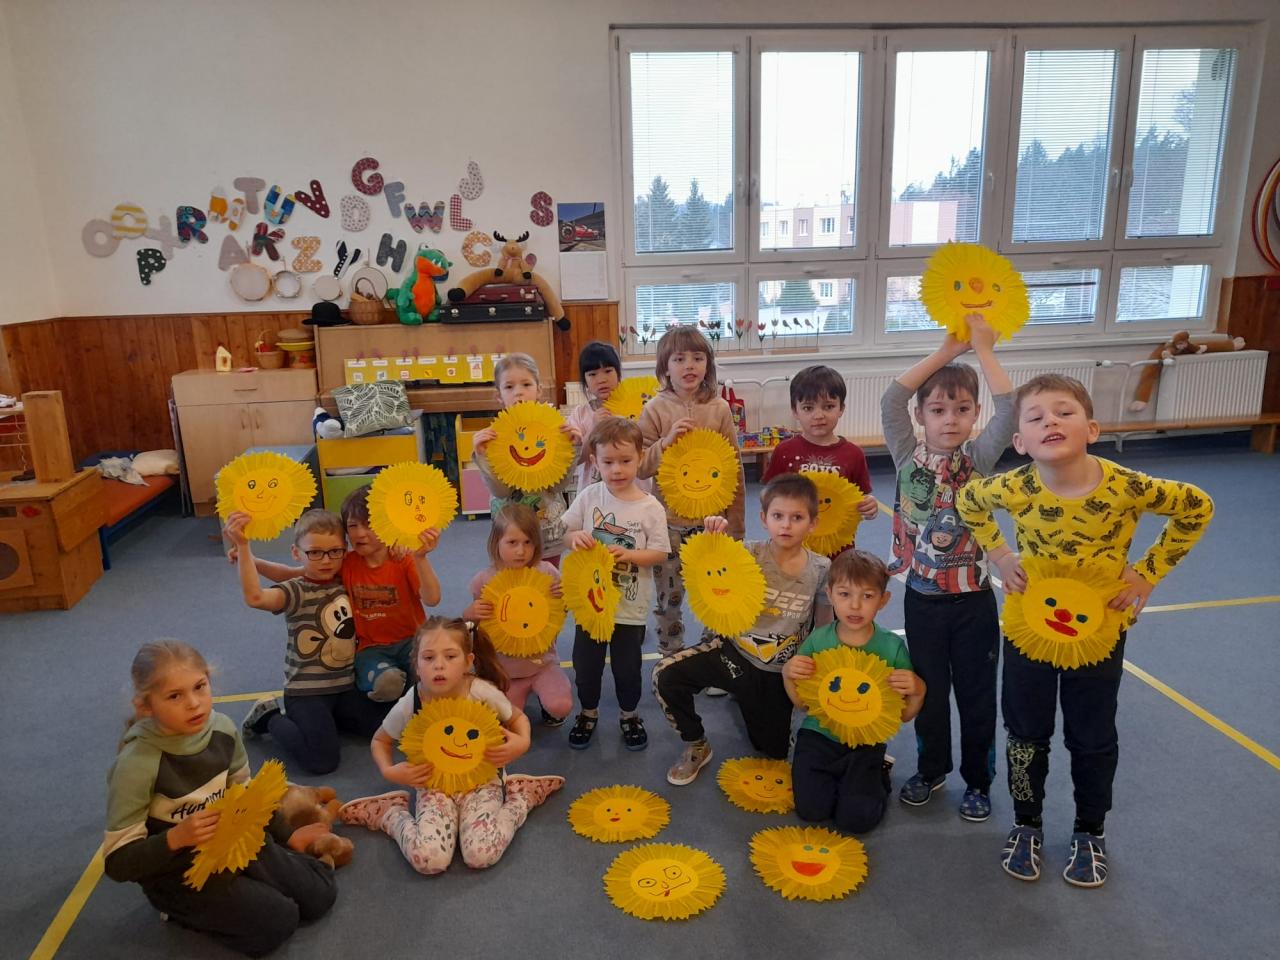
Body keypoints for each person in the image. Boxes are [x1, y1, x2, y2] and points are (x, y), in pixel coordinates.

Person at [958, 373, 1213, 887]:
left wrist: (1147, 573)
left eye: (1064, 412)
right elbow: (969, 502)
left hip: (1098, 631)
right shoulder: (1015, 486)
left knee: (1092, 736)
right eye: (1036, 417)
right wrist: (1001, 556)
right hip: (1031, 629)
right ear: (1020, 441)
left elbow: (1196, 507)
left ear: (1091, 429)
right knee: (1025, 732)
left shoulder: (1126, 486)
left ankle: (1090, 829)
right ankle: (1026, 823)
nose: (1050, 421)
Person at [104, 641, 336, 957]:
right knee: (279, 921)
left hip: (235, 842)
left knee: (320, 895)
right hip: (181, 871)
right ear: (146, 706)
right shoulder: (136, 765)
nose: (194, 704)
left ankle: (255, 883)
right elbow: (118, 863)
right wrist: (176, 837)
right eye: (174, 696)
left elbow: (248, 797)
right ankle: (176, 908)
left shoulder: (223, 730)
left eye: (200, 687)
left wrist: (286, 835)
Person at [880, 316, 1014, 822]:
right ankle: (931, 768)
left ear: (975, 413)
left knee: (977, 697)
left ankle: (978, 781)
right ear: (921, 415)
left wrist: (984, 351)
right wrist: (945, 351)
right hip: (923, 601)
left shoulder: (978, 459)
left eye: (962, 409)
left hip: (974, 601)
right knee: (928, 692)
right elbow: (891, 400)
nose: (950, 420)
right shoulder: (906, 454)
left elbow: (1011, 409)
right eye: (937, 410)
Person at [338, 617, 564, 874]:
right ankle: (391, 814)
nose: (439, 665)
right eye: (428, 658)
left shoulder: (480, 691)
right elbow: (380, 740)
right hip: (434, 784)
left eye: (450, 656)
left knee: (481, 854)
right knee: (428, 860)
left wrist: (521, 742)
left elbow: (518, 718)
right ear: (417, 665)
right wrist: (389, 771)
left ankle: (521, 798)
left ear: (468, 662)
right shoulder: (413, 699)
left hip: (481, 782)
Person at [653, 473, 831, 785]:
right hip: (733, 655)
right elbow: (711, 563)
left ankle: (751, 704)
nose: (786, 525)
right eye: (778, 516)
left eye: (797, 517)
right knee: (665, 675)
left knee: (772, 751)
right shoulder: (749, 553)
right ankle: (696, 744)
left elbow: (824, 626)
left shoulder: (821, 568)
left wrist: (806, 671)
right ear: (764, 519)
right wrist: (713, 535)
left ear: (813, 523)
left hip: (777, 672)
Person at [228, 509, 387, 774]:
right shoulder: (295, 590)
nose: (326, 560)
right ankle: (268, 716)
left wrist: (400, 546)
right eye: (315, 553)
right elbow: (256, 597)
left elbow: (378, 557)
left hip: (345, 686)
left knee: (385, 727)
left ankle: (328, 722)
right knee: (321, 761)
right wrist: (244, 549)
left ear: (345, 550)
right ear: (296, 552)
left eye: (334, 552)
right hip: (307, 692)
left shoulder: (346, 578)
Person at [252, 486, 443, 703]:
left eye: (369, 524)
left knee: (434, 680)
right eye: (352, 526)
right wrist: (252, 562)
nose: (360, 533)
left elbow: (432, 598)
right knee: (388, 684)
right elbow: (290, 574)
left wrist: (420, 558)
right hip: (371, 649)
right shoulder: (346, 562)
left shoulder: (403, 559)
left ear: (388, 525)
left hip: (412, 642)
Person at [783, 551, 925, 835]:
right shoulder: (818, 640)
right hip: (818, 736)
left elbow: (902, 716)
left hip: (865, 743)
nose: (855, 605)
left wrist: (918, 691)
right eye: (845, 594)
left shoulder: (892, 648)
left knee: (857, 821)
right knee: (812, 811)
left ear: (883, 600)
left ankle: (878, 776)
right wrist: (788, 673)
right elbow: (802, 704)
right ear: (830, 595)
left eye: (867, 596)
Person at [638, 326, 747, 655]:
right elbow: (639, 465)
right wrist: (665, 442)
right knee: (668, 598)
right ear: (665, 367)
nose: (689, 365)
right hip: (668, 524)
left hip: (712, 524)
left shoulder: (719, 409)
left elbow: (734, 469)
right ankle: (670, 655)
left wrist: (736, 525)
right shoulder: (654, 409)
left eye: (698, 358)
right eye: (679, 359)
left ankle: (711, 654)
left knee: (715, 591)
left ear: (707, 364)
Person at [562, 417, 669, 750]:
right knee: (586, 666)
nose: (617, 469)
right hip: (591, 605)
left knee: (627, 668)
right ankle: (588, 712)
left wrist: (630, 555)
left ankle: (629, 714)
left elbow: (660, 553)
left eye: (625, 460)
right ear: (595, 461)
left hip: (629, 607)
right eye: (608, 462)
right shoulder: (589, 496)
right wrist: (574, 538)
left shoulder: (650, 507)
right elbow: (567, 532)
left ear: (640, 458)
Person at [462, 503, 573, 727]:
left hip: (542, 664)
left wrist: (565, 598)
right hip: (505, 669)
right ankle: (517, 696)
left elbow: (560, 614)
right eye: (512, 543)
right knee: (505, 719)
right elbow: (474, 627)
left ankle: (547, 699)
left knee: (560, 706)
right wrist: (470, 615)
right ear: (496, 542)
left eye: (527, 542)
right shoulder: (484, 580)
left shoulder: (547, 572)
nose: (521, 551)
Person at [471, 353, 582, 565]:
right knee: (514, 581)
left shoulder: (555, 429)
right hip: (510, 534)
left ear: (539, 390)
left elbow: (559, 485)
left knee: (548, 579)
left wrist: (574, 447)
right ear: (498, 395)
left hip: (546, 532)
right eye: (509, 387)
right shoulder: (492, 438)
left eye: (526, 384)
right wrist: (482, 456)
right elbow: (501, 491)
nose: (518, 392)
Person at [762, 364, 879, 553]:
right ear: (795, 411)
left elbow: (860, 496)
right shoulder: (784, 451)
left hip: (837, 548)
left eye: (828, 407)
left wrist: (869, 504)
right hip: (794, 546)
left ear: (841, 409)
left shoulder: (853, 454)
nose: (818, 415)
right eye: (808, 408)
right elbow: (770, 497)